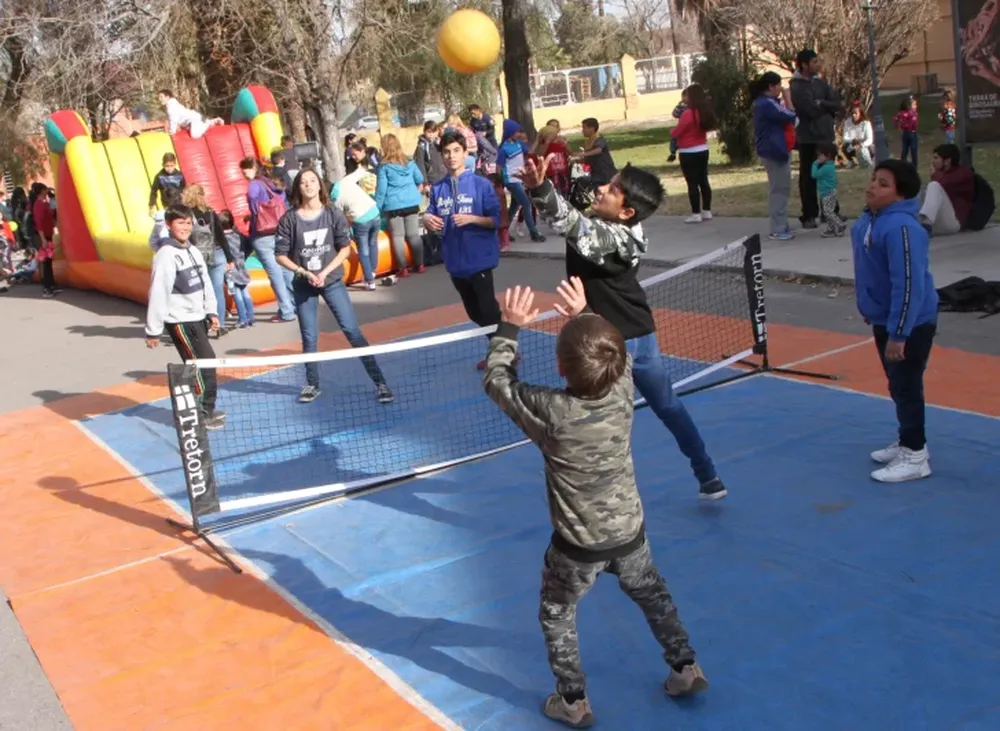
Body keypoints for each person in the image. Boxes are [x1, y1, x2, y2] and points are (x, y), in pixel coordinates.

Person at [482, 280, 708, 728]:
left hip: (576, 547)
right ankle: (685, 667)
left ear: (562, 371)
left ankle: (572, 700)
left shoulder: (551, 410)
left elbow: (497, 381)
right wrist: (584, 315)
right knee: (654, 596)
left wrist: (509, 329)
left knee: (556, 612)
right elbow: (610, 353)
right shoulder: (623, 389)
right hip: (629, 534)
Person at [520, 156, 727, 500]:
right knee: (666, 407)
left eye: (613, 188)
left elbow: (572, 225)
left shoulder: (615, 239)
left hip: (613, 344)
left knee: (600, 421)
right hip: (636, 332)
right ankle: (708, 475)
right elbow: (574, 215)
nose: (603, 188)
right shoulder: (612, 220)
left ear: (628, 212)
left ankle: (612, 497)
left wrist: (541, 188)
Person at [275, 168, 394, 405]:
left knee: (352, 331)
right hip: (304, 285)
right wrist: (304, 272)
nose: (308, 185)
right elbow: (280, 255)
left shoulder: (333, 214)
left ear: (320, 185)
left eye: (312, 180)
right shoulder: (289, 219)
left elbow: (345, 248)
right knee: (309, 336)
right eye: (303, 182)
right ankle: (312, 384)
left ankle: (380, 382)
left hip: (331, 282)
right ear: (298, 188)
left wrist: (325, 272)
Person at [851, 160, 937, 483]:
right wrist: (871, 308)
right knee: (897, 385)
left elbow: (909, 284)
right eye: (874, 179)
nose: (873, 185)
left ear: (900, 197)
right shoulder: (870, 220)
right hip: (885, 319)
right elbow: (871, 272)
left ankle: (915, 455)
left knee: (906, 385)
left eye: (883, 183)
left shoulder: (902, 228)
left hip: (909, 324)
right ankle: (907, 440)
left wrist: (899, 334)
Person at [422, 130, 503, 368]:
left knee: (488, 310)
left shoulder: (481, 185)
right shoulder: (438, 189)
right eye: (446, 152)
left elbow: (496, 221)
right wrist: (427, 218)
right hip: (455, 263)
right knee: (475, 313)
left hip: (480, 260)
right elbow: (432, 214)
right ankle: (500, 344)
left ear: (465, 152)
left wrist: (473, 219)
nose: (451, 156)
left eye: (456, 151)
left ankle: (503, 353)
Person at [144, 204, 225, 430]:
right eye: (180, 223)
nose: (185, 227)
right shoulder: (165, 256)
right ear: (169, 225)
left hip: (197, 317)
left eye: (188, 222)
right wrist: (153, 330)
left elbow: (205, 283)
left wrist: (211, 311)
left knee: (198, 365)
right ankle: (200, 414)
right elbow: (158, 292)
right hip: (180, 321)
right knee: (203, 364)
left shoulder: (193, 250)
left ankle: (203, 409)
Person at [789, 49, 842, 228]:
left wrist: (824, 103)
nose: (818, 64)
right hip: (808, 138)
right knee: (809, 177)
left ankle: (831, 212)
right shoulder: (796, 85)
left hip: (825, 136)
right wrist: (823, 106)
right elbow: (810, 110)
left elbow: (837, 104)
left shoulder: (821, 83)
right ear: (804, 64)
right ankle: (809, 215)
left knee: (828, 176)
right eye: (814, 61)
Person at [241, 157, 295, 322]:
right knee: (285, 268)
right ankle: (295, 303)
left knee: (274, 273)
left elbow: (253, 199)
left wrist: (254, 214)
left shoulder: (254, 185)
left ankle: (286, 310)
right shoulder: (271, 183)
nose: (243, 173)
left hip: (263, 234)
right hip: (280, 230)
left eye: (245, 169)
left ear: (252, 168)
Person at [751, 71, 798, 240]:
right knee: (779, 189)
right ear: (771, 87)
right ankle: (778, 228)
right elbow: (791, 116)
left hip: (775, 149)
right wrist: (788, 99)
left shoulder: (767, 103)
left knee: (781, 188)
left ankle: (781, 223)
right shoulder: (767, 104)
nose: (781, 88)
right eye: (778, 85)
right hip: (774, 151)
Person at [374, 133, 426, 278]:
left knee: (398, 237)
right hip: (412, 202)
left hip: (393, 205)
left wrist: (377, 207)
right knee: (414, 235)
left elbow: (382, 189)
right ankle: (420, 264)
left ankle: (402, 268)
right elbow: (420, 178)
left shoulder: (384, 167)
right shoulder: (409, 162)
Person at [670, 83, 716, 223]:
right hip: (702, 149)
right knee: (704, 180)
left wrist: (671, 132)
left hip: (688, 151)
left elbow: (678, 132)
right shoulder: (704, 111)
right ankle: (706, 210)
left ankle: (696, 213)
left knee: (692, 183)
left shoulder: (688, 114)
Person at [331, 166, 382, 291]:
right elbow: (360, 172)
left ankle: (369, 281)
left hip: (360, 220)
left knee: (363, 251)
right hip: (374, 212)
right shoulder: (345, 181)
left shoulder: (336, 201)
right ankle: (373, 271)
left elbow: (342, 220)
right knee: (373, 242)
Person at [497, 119, 546, 243]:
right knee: (526, 203)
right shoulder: (504, 149)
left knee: (514, 206)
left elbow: (530, 152)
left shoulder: (518, 144)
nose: (520, 134)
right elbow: (499, 167)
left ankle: (503, 231)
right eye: (517, 132)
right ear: (511, 132)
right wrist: (500, 182)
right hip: (511, 180)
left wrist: (538, 142)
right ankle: (534, 233)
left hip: (519, 179)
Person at [918, 143, 976, 237]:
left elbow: (945, 184)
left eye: (936, 158)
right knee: (923, 189)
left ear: (947, 161)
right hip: (939, 222)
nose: (932, 162)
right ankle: (919, 224)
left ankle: (925, 224)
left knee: (933, 186)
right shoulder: (942, 175)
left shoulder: (963, 174)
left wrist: (934, 174)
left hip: (953, 222)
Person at [218, 209, 254, 328]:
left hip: (230, 268)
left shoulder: (222, 239)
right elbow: (249, 245)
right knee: (245, 293)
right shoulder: (239, 235)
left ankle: (242, 319)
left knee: (236, 294)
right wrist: (244, 256)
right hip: (241, 266)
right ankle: (250, 317)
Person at [811, 142, 846, 238]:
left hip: (828, 193)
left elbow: (814, 174)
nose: (818, 158)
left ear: (828, 155)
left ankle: (840, 225)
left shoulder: (826, 168)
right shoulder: (830, 166)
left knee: (828, 212)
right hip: (826, 192)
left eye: (820, 155)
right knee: (828, 212)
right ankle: (831, 229)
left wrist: (814, 164)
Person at [157, 90, 224, 139]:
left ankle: (211, 122)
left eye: (161, 97)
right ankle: (209, 121)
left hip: (193, 119)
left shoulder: (171, 108)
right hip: (193, 117)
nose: (159, 99)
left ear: (167, 97)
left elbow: (173, 121)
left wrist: (172, 133)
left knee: (195, 135)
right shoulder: (172, 103)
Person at [841, 101, 875, 169]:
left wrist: (861, 145)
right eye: (852, 113)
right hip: (853, 145)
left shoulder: (866, 123)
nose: (853, 115)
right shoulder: (847, 122)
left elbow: (870, 139)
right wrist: (852, 141)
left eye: (856, 113)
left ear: (860, 113)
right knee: (845, 147)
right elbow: (845, 137)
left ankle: (871, 160)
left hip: (864, 146)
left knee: (872, 148)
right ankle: (851, 161)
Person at [893, 96, 920, 167]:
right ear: (909, 105)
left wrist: (898, 126)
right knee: (914, 150)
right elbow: (914, 123)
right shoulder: (913, 113)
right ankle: (915, 165)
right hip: (912, 133)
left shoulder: (901, 113)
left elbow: (895, 119)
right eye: (914, 105)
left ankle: (903, 163)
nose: (916, 106)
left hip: (905, 133)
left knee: (904, 149)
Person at [666, 94, 688, 163]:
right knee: (673, 138)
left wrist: (679, 106)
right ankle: (673, 153)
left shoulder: (686, 107)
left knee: (674, 137)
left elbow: (675, 114)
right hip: (682, 126)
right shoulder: (681, 107)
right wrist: (679, 105)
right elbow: (675, 114)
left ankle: (673, 152)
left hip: (684, 127)